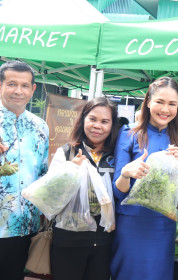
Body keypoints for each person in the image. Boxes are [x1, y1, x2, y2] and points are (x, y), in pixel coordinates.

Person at [110, 77, 178, 280]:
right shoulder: (129, 135)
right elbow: (119, 192)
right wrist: (127, 173)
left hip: (162, 225)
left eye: (172, 104)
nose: (165, 109)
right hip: (130, 223)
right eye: (160, 102)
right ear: (148, 102)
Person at [49, 97, 118, 280]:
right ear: (83, 120)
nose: (97, 126)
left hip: (103, 244)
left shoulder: (117, 156)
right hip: (68, 241)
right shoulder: (66, 152)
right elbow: (51, 197)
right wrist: (70, 170)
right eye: (92, 119)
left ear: (112, 125)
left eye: (105, 122)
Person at [0, 60, 49, 280]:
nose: (18, 91)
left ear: (33, 89)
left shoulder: (41, 127)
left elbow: (42, 174)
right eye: (11, 84)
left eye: (24, 85)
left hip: (24, 226)